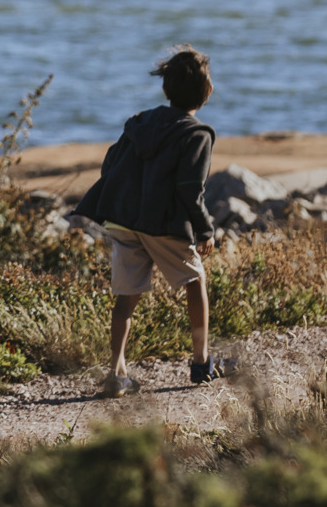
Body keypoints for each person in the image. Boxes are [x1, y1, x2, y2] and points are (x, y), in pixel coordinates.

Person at [73, 47, 233, 397]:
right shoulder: (198, 134)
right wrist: (205, 230)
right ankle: (202, 361)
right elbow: (190, 189)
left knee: (126, 297)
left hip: (124, 221)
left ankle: (116, 373)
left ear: (166, 90)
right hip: (162, 224)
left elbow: (111, 164)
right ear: (207, 94)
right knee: (195, 280)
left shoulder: (140, 123)